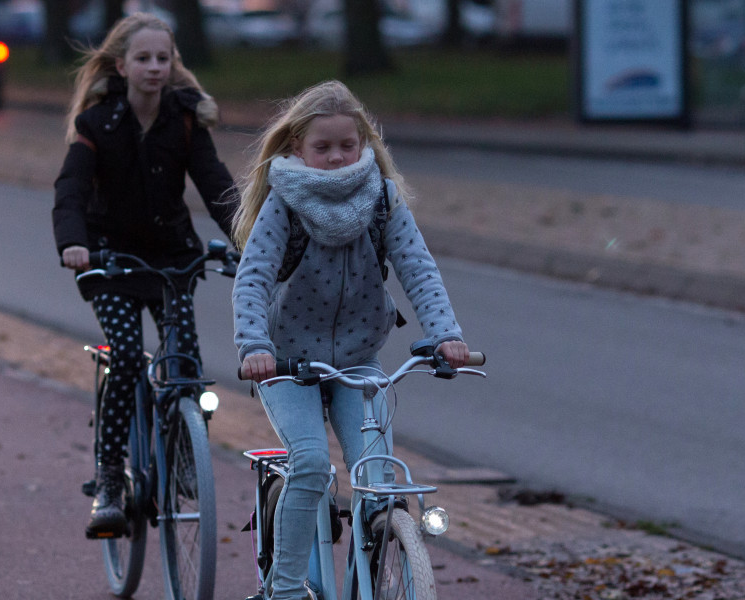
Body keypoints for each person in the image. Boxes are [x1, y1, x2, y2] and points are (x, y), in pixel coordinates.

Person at [230, 80, 470, 600]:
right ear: (297, 148)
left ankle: (374, 569)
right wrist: (254, 346)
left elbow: (418, 269)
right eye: (323, 148)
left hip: (359, 360)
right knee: (312, 463)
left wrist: (445, 335)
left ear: (364, 144)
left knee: (378, 477)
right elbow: (253, 277)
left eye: (348, 145)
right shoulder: (284, 203)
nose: (338, 157)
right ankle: (286, 589)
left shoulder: (382, 199)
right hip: (286, 364)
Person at [52, 12, 239, 538]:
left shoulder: (185, 119)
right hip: (109, 260)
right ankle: (110, 478)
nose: (155, 68)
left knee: (186, 364)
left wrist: (250, 237)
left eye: (164, 58)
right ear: (121, 65)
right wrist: (74, 243)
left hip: (172, 259)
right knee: (129, 356)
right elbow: (69, 189)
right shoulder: (96, 123)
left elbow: (215, 184)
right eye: (144, 59)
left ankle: (185, 453)